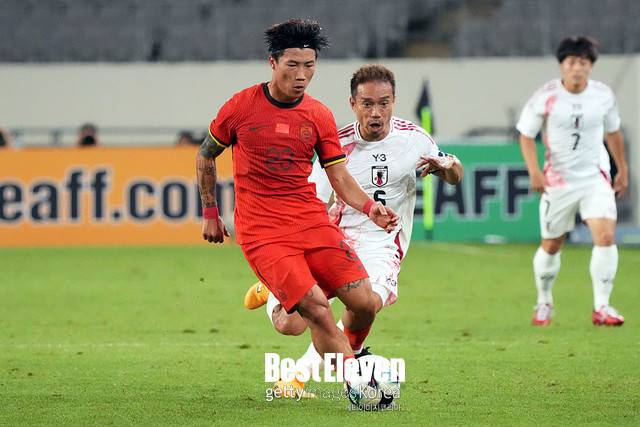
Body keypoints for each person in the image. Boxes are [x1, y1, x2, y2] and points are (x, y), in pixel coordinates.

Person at [196, 20, 399, 398]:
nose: (302, 75)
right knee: (314, 311)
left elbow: (338, 176)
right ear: (272, 62)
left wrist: (369, 207)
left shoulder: (318, 115)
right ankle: (359, 384)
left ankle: (292, 309)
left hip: (310, 221)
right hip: (263, 231)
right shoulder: (241, 107)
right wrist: (210, 213)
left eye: (309, 65)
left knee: (364, 303)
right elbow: (206, 154)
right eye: (293, 65)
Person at [243, 64, 463, 397]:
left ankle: (309, 373)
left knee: (367, 304)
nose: (376, 112)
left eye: (384, 103)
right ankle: (274, 288)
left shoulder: (414, 139)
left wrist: (449, 167)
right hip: (336, 241)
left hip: (383, 246)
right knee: (289, 325)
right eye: (367, 104)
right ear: (353, 104)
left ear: (393, 101)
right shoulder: (337, 145)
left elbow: (454, 174)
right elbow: (313, 200)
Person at [516, 36, 628, 327]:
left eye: (583, 62)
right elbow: (526, 135)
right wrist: (534, 171)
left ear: (591, 66)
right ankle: (544, 301)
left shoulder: (603, 95)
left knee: (605, 237)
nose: (577, 68)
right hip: (558, 181)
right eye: (572, 62)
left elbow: (613, 132)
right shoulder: (546, 96)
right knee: (552, 244)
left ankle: (602, 307)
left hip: (595, 178)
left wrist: (622, 168)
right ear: (562, 65)